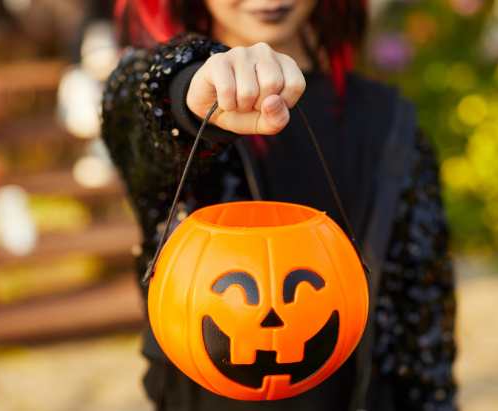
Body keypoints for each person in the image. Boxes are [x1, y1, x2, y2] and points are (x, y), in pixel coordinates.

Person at [100, 0, 457, 410]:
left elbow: (425, 333)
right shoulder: (163, 97)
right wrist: (188, 91)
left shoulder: (391, 125)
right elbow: (138, 104)